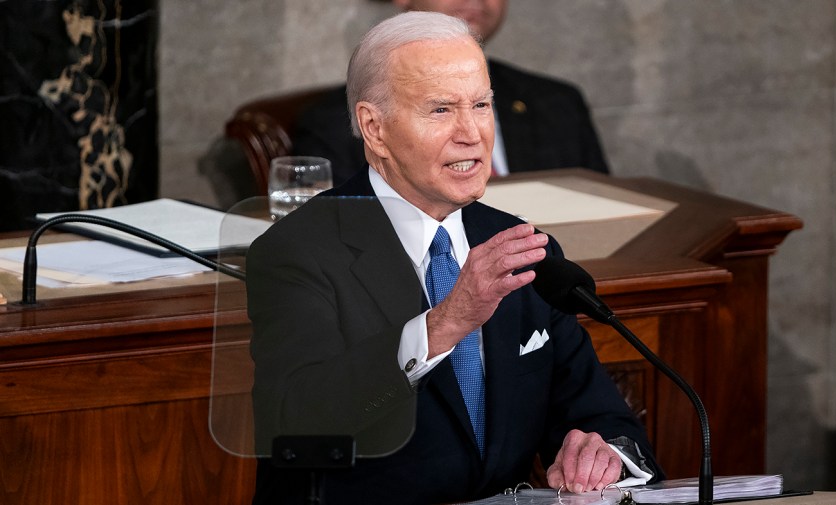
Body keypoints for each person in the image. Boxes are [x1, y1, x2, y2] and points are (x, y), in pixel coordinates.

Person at [247, 12, 660, 505]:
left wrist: (604, 452)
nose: (472, 133)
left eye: (481, 105)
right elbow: (301, 423)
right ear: (374, 129)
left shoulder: (520, 246)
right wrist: (446, 323)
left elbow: (600, 415)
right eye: (441, 110)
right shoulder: (298, 250)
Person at [291, 0, 610, 186]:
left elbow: (608, 216)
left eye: (481, 105)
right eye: (441, 109)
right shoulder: (332, 124)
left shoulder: (558, 103)